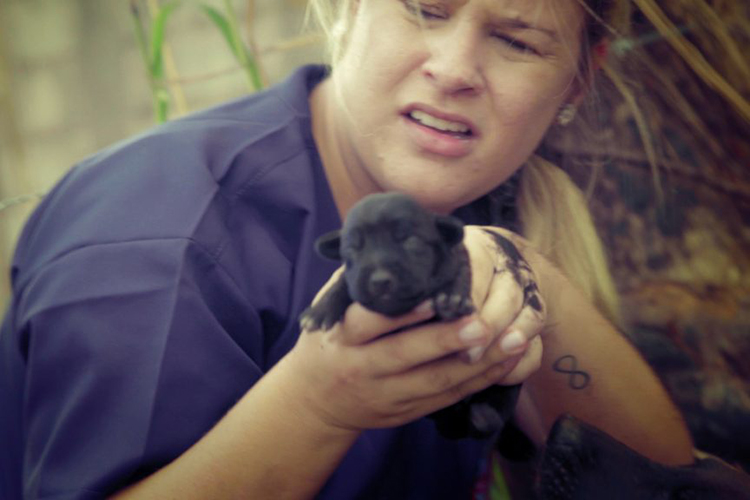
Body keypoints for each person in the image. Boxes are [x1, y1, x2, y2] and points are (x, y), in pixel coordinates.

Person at [0, 0, 694, 498]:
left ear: (579, 79)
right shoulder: (158, 229)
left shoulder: (489, 203)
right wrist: (318, 402)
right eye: (424, 9)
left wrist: (529, 274)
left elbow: (672, 482)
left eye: (517, 40)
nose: (454, 68)